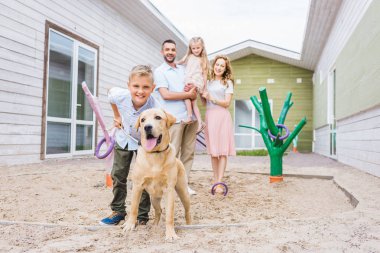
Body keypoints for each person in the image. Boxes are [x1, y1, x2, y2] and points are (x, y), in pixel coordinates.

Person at [100, 65, 160, 225]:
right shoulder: (120, 95)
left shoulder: (155, 106)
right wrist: (117, 116)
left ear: (152, 88)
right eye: (136, 86)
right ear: (129, 86)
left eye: (145, 87)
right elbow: (110, 95)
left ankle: (142, 215)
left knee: (144, 178)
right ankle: (118, 211)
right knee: (118, 174)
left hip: (144, 143)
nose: (140, 91)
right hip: (124, 138)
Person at [154, 39, 198, 195]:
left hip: (190, 116)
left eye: (173, 50)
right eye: (167, 49)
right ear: (162, 52)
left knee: (188, 152)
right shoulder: (160, 72)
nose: (170, 52)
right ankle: (168, 184)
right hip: (174, 118)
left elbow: (193, 86)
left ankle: (184, 185)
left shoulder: (183, 69)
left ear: (176, 52)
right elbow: (165, 95)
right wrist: (188, 94)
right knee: (172, 152)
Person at [201, 55, 236, 194]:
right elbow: (205, 103)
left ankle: (220, 182)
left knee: (222, 152)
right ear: (213, 65)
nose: (219, 67)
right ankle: (215, 180)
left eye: (222, 65)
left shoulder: (227, 83)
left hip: (222, 117)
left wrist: (212, 98)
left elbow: (227, 103)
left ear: (225, 68)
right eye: (217, 64)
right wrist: (202, 96)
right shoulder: (208, 82)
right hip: (210, 116)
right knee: (213, 152)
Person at [177, 37, 209, 133]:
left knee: (186, 95)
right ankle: (200, 122)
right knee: (192, 102)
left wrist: (204, 88)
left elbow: (204, 74)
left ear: (202, 47)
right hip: (189, 80)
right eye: (193, 48)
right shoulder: (189, 56)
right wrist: (174, 64)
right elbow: (180, 62)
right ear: (191, 48)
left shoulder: (203, 59)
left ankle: (190, 116)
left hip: (196, 81)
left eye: (198, 48)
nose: (195, 50)